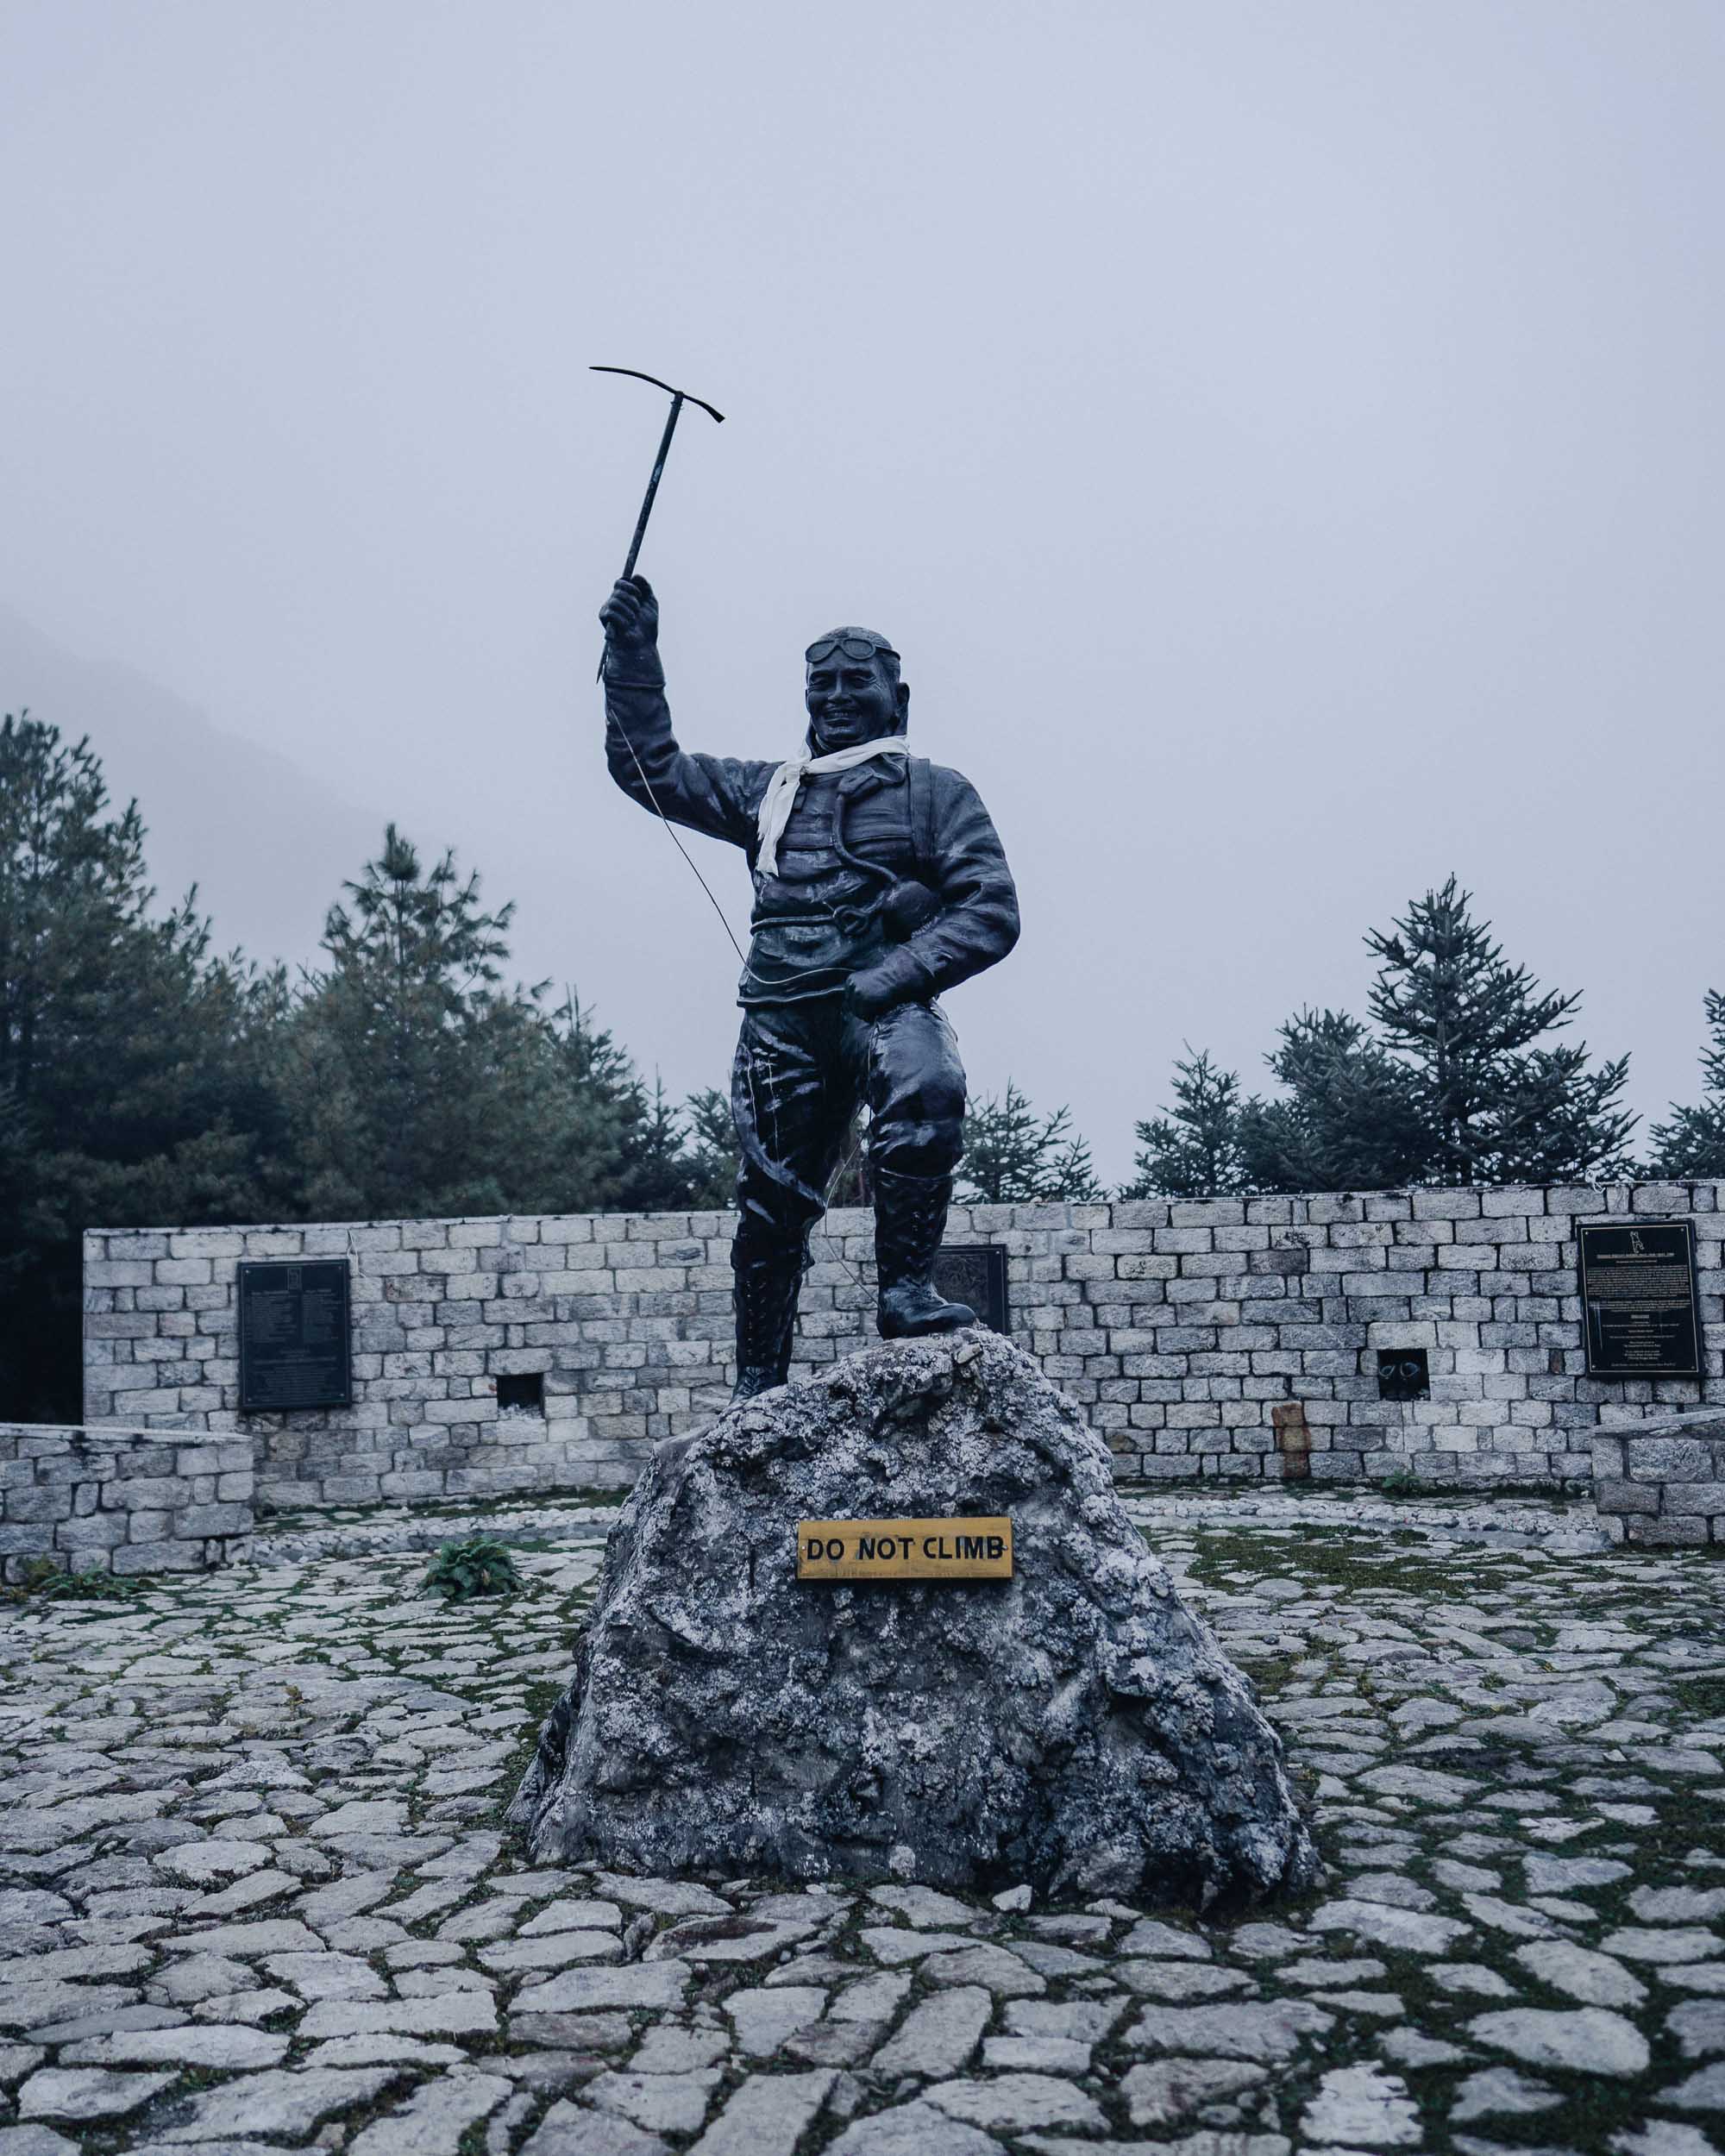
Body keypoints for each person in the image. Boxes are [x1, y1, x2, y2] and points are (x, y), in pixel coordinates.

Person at [599, 575, 1019, 1398]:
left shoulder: (937, 794)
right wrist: (633, 656)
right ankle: (757, 1385)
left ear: (896, 699)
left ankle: (905, 1293)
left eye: (853, 682)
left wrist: (893, 975)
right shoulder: (770, 792)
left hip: (880, 1008)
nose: (835, 696)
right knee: (769, 1209)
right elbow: (650, 767)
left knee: (930, 1084)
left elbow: (992, 909)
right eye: (821, 684)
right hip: (780, 1023)